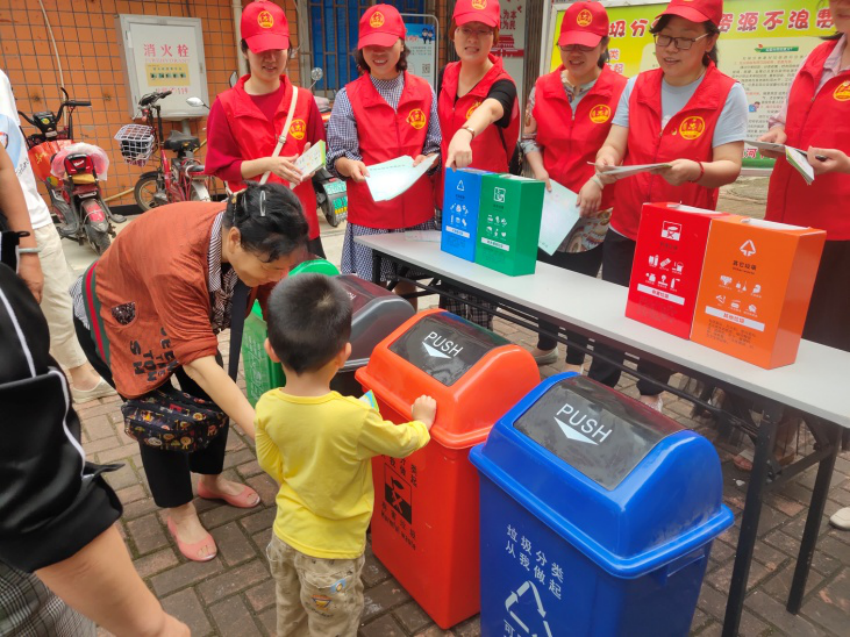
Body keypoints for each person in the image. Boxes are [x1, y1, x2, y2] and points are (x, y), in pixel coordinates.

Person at [0, 147, 187, 636]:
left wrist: (24, 247)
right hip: (117, 316)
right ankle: (178, 511)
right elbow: (36, 487)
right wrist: (152, 627)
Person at [71, 183, 309, 561]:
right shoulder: (177, 261)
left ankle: (210, 481)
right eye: (270, 267)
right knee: (160, 412)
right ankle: (179, 513)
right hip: (121, 316)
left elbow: (276, 303)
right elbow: (199, 366)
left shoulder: (254, 237)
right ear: (234, 239)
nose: (276, 276)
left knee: (215, 390)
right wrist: (269, 440)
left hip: (171, 307)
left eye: (285, 268)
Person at [256, 273, 436, 636]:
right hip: (332, 557)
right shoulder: (353, 417)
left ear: (270, 349)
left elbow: (271, 462)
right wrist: (422, 422)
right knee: (332, 626)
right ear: (345, 352)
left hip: (285, 538)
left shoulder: (268, 405)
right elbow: (401, 443)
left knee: (290, 612)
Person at [588, 0, 747, 410]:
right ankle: (600, 384)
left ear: (709, 41)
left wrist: (696, 169)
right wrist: (606, 158)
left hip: (683, 230)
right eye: (664, 39)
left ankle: (651, 394)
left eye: (683, 40)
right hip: (627, 221)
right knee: (614, 309)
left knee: (663, 315)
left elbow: (730, 165)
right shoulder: (637, 86)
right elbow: (615, 141)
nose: (670, 49)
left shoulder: (728, 93)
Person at [756, 0, 849, 522]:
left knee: (831, 347)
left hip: (842, 232)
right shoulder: (818, 56)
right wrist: (779, 136)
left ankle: (829, 453)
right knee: (784, 333)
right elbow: (792, 119)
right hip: (788, 221)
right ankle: (781, 440)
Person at [521, 1, 627, 372]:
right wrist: (538, 170)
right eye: (569, 46)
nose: (575, 53)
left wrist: (598, 181)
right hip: (550, 200)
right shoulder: (544, 85)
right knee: (546, 276)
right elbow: (529, 138)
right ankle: (547, 343)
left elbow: (627, 149)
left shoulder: (621, 91)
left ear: (603, 45)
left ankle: (576, 358)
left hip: (592, 208)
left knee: (579, 284)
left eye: (585, 45)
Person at [0, 69, 115, 403]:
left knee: (62, 299)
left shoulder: (3, 77)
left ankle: (79, 373)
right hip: (18, 222)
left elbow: (8, 160)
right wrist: (27, 246)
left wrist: (30, 244)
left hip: (29, 212)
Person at [327, 4, 440, 305]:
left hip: (414, 212)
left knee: (407, 287)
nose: (378, 52)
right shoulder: (348, 96)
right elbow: (336, 156)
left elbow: (435, 146)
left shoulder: (425, 92)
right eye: (370, 46)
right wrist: (349, 165)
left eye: (386, 44)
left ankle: (403, 342)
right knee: (368, 291)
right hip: (370, 214)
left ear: (402, 44)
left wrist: (428, 160)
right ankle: (370, 348)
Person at [206, 0, 326, 257]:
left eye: (278, 49)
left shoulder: (304, 100)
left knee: (305, 292)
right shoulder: (225, 105)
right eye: (262, 50)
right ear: (245, 50)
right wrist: (267, 164)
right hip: (254, 225)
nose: (271, 59)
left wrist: (309, 164)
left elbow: (319, 151)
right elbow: (221, 166)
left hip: (299, 222)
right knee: (255, 294)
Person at [437, 0, 521, 330]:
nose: (473, 39)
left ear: (494, 36)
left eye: (482, 31)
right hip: (451, 197)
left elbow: (491, 109)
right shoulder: (448, 73)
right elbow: (441, 130)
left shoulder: (503, 83)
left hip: (490, 204)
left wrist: (465, 132)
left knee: (481, 296)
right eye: (466, 30)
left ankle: (481, 355)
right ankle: (448, 349)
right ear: (453, 33)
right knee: (450, 286)